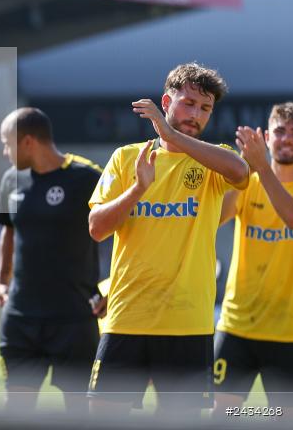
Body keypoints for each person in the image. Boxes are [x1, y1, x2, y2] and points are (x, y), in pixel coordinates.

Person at [86, 63, 249, 416]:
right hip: (127, 318)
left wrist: (173, 138)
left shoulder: (215, 161)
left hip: (187, 323)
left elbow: (241, 173)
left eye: (205, 108)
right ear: (166, 101)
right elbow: (97, 228)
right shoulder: (128, 158)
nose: (196, 114)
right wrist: (138, 188)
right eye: (188, 103)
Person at [0, 107, 105, 413]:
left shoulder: (87, 178)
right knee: (16, 409)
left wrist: (113, 288)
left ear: (28, 142)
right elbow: (8, 231)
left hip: (74, 318)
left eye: (7, 143)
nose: (5, 152)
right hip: (21, 317)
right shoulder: (10, 180)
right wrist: (1, 280)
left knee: (78, 412)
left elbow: (125, 232)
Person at [213, 102, 293, 414]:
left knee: (287, 420)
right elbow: (216, 219)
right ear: (266, 136)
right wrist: (245, 169)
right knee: (221, 417)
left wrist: (261, 168)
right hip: (237, 327)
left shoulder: (266, 176)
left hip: (292, 332)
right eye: (280, 131)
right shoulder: (250, 181)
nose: (287, 139)